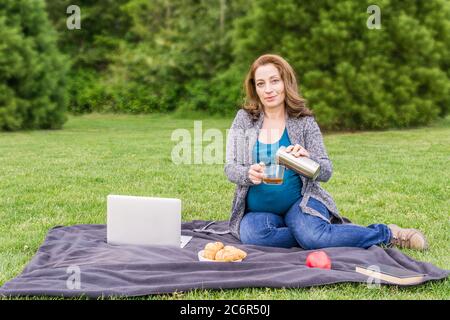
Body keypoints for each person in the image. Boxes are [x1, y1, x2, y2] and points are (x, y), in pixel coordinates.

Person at [224, 54, 428, 250]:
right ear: (254, 88)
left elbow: (326, 171)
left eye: (274, 81)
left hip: (299, 202)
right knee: (254, 236)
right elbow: (230, 167)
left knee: (313, 236)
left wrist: (307, 160)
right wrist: (247, 174)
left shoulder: (304, 122)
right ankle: (325, 233)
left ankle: (387, 234)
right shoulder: (244, 119)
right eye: (261, 83)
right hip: (259, 210)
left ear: (286, 82)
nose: (268, 89)